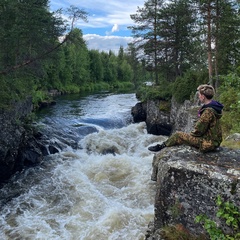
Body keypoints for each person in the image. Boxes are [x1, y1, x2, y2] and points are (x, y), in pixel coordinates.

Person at [148, 84, 224, 153]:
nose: (199, 96)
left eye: (199, 95)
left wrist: (188, 137)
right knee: (183, 136)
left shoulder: (208, 111)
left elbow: (199, 130)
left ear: (203, 97)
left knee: (178, 135)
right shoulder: (215, 107)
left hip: (208, 143)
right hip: (214, 141)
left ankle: (161, 147)